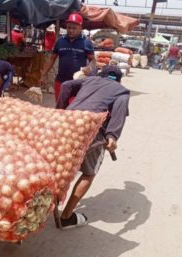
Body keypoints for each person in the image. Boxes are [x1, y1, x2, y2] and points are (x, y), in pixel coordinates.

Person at [56, 65, 130, 229]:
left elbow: (66, 85)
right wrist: (112, 135)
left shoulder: (90, 79)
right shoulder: (121, 91)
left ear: (101, 75)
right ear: (118, 79)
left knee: (59, 164)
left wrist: (59, 112)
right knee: (89, 173)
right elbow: (120, 107)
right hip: (91, 129)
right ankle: (66, 217)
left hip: (66, 122)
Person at [41, 13, 95, 102]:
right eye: (69, 27)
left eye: (74, 28)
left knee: (74, 109)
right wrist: (43, 74)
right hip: (60, 82)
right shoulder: (60, 41)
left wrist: (89, 68)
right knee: (60, 108)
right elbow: (51, 59)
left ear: (80, 28)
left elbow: (93, 61)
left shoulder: (86, 42)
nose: (70, 30)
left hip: (77, 83)